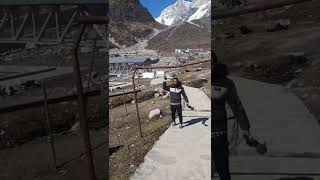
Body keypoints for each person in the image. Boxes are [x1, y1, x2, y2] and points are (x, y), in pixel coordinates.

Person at [212, 61, 251, 180]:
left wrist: (245, 127)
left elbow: (236, 106)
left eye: (211, 62)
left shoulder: (226, 83)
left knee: (223, 169)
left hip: (219, 131)